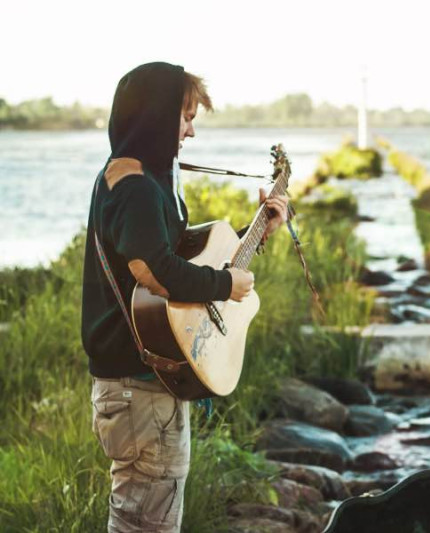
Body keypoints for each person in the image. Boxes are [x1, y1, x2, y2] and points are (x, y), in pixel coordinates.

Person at [81, 62, 289, 532]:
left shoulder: (148, 181)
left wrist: (255, 233)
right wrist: (223, 286)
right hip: (138, 391)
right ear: (156, 115)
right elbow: (153, 271)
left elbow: (178, 261)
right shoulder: (133, 185)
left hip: (149, 384)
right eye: (186, 116)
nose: (191, 131)